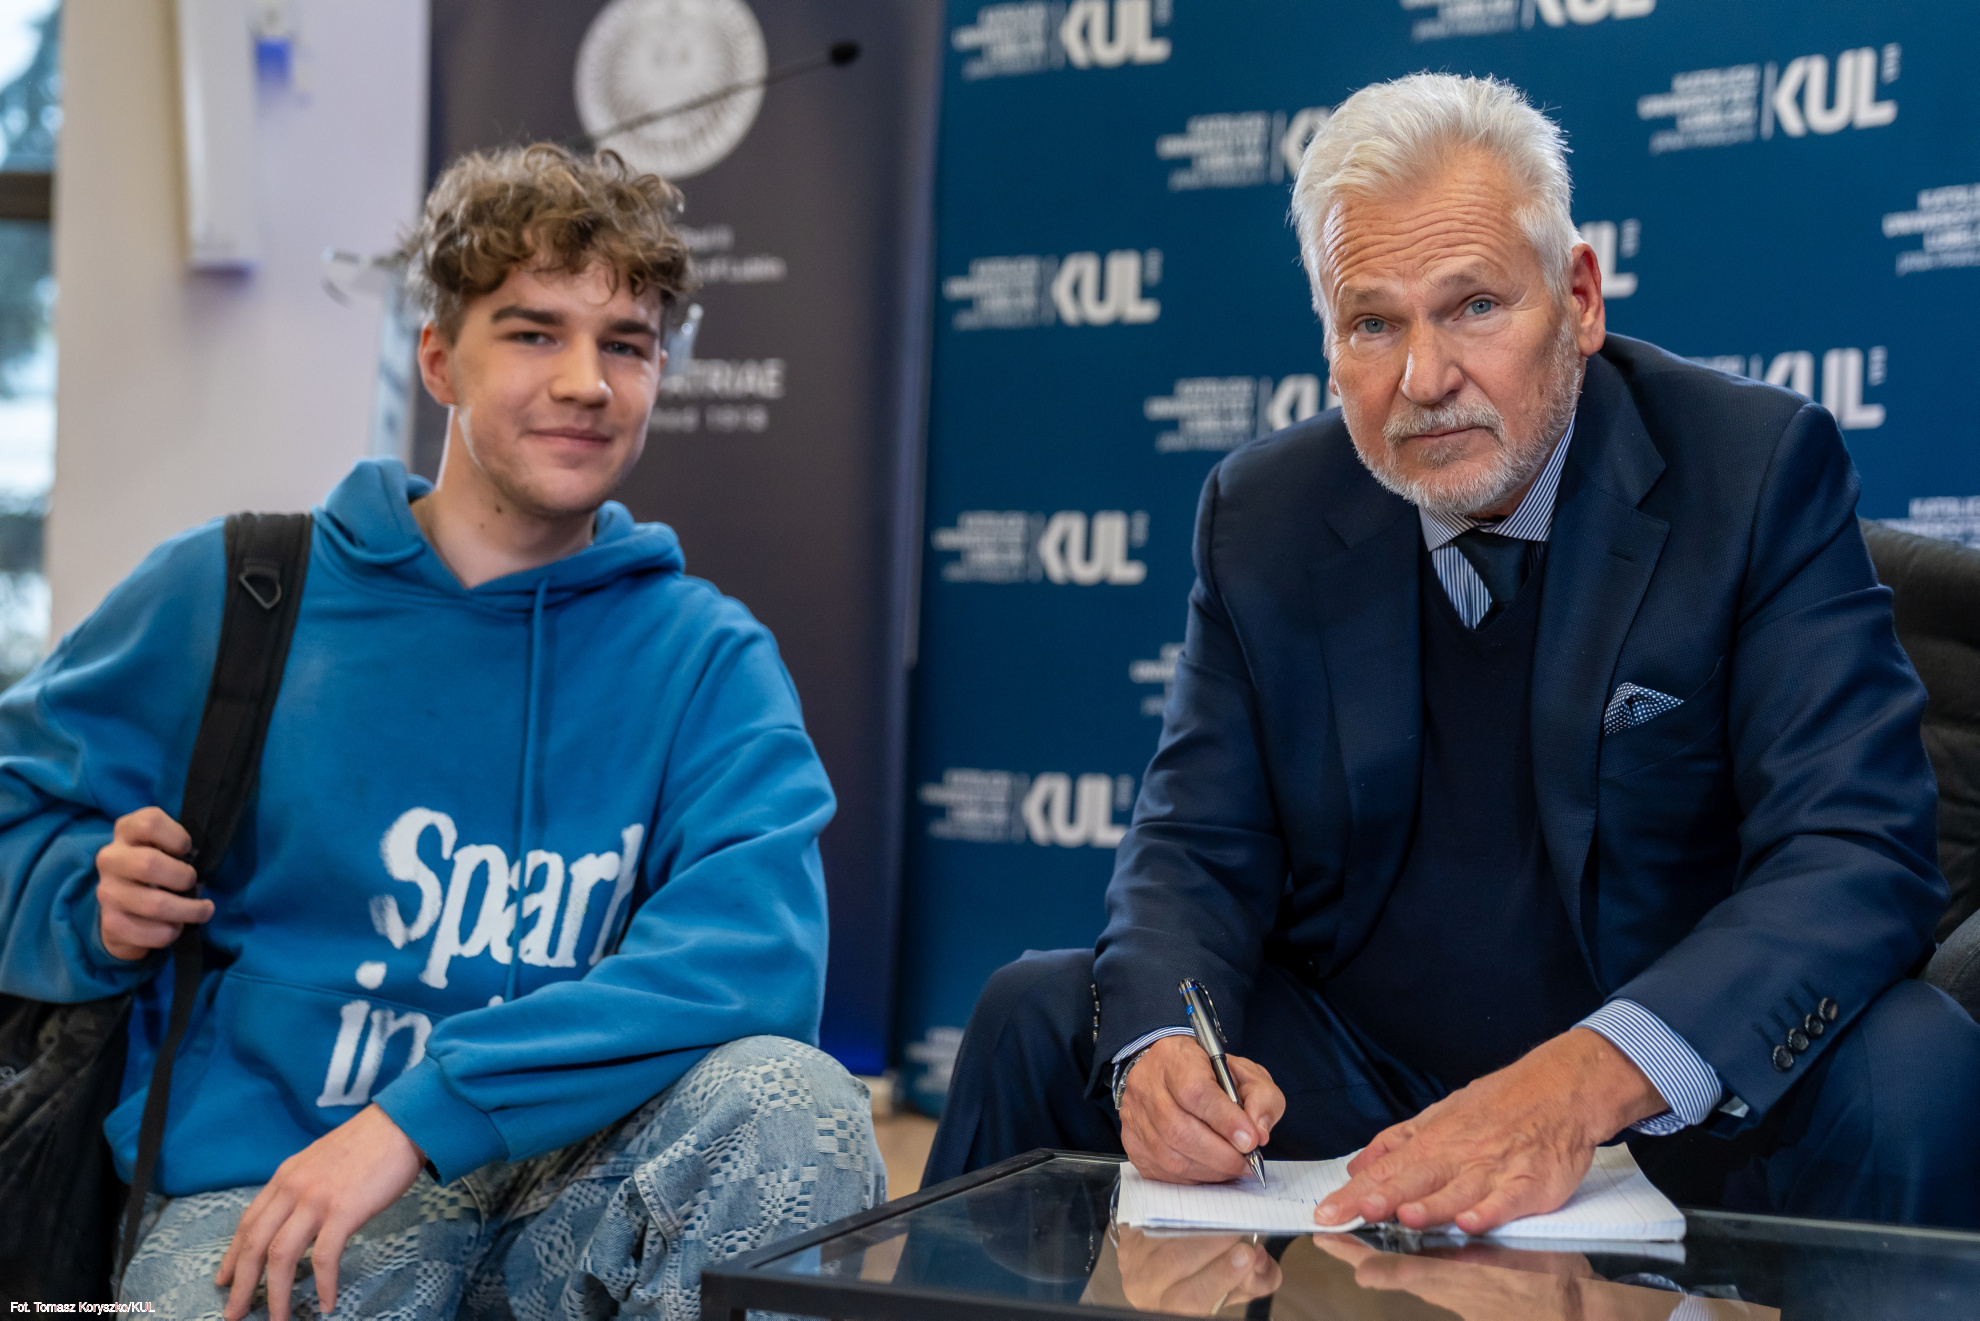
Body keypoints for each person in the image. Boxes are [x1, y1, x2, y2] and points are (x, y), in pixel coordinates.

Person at [924, 73, 1980, 1231]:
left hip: (1659, 1091)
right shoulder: (1263, 515)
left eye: (1474, 305)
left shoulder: (1754, 470)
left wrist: (1582, 1081)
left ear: (1578, 298)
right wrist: (1167, 1046)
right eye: (1373, 324)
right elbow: (1195, 843)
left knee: (1912, 1067)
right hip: (1361, 1069)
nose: (1424, 381)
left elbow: (1858, 848)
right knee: (1040, 1014)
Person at [0, 144, 881, 1318]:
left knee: (798, 1105)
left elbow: (752, 958)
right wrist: (88, 899)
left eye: (625, 344)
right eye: (534, 333)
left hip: (567, 1189)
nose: (586, 382)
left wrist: (420, 1117)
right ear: (438, 359)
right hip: (273, 1187)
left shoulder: (707, 658)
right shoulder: (237, 592)